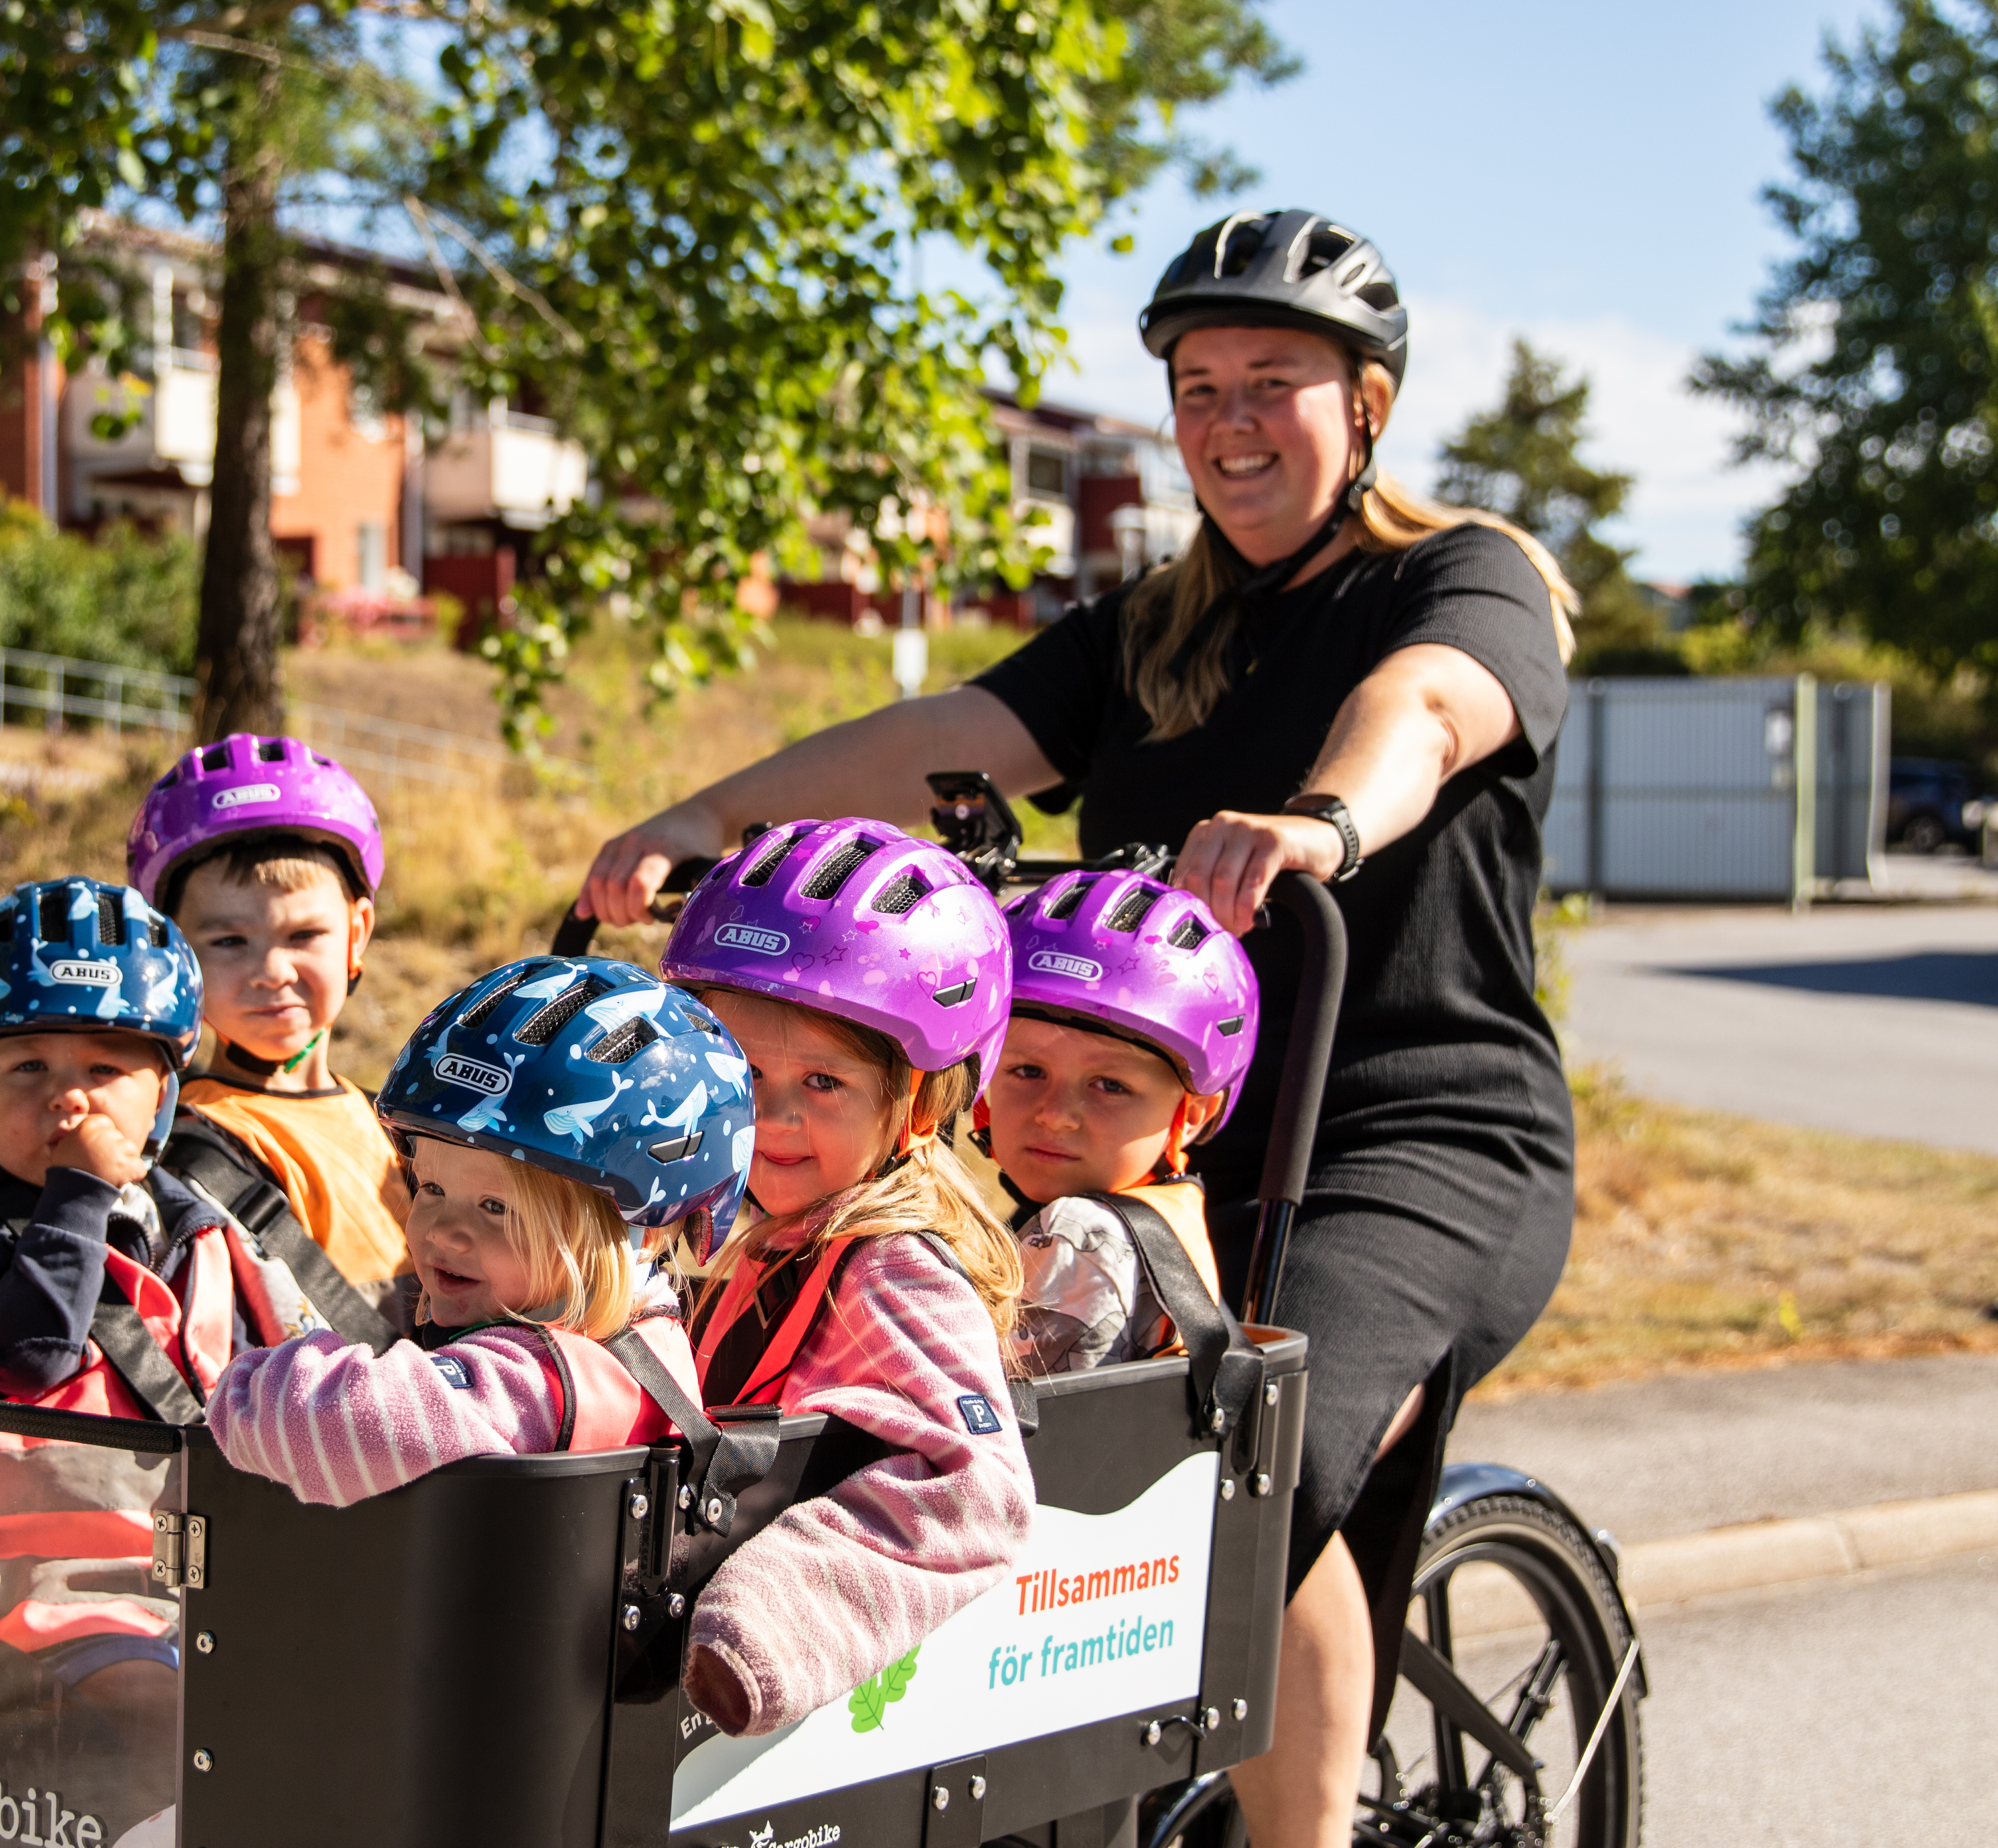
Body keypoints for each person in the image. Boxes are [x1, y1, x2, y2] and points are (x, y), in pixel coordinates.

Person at [581, 208, 1578, 1847]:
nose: (1230, 419)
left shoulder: (1460, 574)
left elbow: (1427, 706)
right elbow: (941, 734)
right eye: (1198, 385)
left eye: (1275, 380)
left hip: (1414, 1128)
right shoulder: (1150, 630)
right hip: (1121, 1116)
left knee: (1251, 1456)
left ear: (1370, 405)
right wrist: (699, 820)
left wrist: (1319, 823)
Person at [0, 875, 364, 1833]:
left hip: (206, 1568)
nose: (68, 1097)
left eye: (107, 1070)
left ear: (165, 1097)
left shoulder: (196, 1227)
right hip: (37, 1587)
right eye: (26, 1069)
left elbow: (292, 1349)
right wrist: (74, 1197)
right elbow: (26, 1358)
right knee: (165, 1725)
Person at [651, 818, 1037, 1740]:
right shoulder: (753, 1227)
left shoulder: (893, 1266)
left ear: (921, 1102)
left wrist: (772, 1619)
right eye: (740, 1070)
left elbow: (977, 1494)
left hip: (743, 1689)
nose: (771, 1115)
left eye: (822, 1080)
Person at [205, 955, 753, 1496]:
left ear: (647, 1230)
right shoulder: (652, 1340)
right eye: (431, 1189)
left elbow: (320, 1425)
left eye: (496, 1208)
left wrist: (245, 1388)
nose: (444, 1233)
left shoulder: (532, 1382)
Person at [127, 734, 413, 1323]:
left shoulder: (393, 1124)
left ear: (357, 936)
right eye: (230, 942)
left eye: (304, 936)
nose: (272, 972)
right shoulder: (193, 1146)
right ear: (175, 954)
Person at [977, 866, 1253, 1374]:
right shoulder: (1164, 1225)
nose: (1056, 1115)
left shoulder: (1077, 1235)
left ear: (1190, 1114)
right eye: (1028, 1071)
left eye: (1111, 1086)